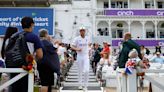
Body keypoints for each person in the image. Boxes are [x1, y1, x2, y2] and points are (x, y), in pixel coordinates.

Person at [5, 17, 43, 92]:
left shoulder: (14, 36)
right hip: (26, 67)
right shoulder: (34, 37)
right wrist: (34, 59)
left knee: (14, 88)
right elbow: (40, 55)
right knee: (25, 88)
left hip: (12, 66)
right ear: (32, 24)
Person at [71, 27, 90, 91]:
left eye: (83, 30)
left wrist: (88, 51)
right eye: (81, 31)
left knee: (86, 70)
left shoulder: (88, 38)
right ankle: (80, 85)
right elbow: (72, 46)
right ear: (80, 31)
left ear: (85, 31)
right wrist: (77, 49)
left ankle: (85, 86)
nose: (82, 32)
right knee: (80, 71)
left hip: (86, 56)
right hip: (79, 56)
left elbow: (89, 45)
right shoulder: (77, 38)